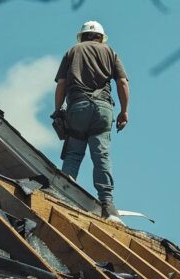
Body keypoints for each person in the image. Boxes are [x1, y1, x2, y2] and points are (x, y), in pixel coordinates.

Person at [53, 21, 130, 220]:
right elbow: (122, 82)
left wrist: (57, 110)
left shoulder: (73, 51)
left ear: (83, 36)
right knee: (101, 155)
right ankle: (108, 204)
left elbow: (61, 84)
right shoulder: (110, 52)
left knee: (73, 154)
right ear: (100, 37)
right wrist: (124, 112)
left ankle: (61, 195)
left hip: (77, 107)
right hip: (103, 109)